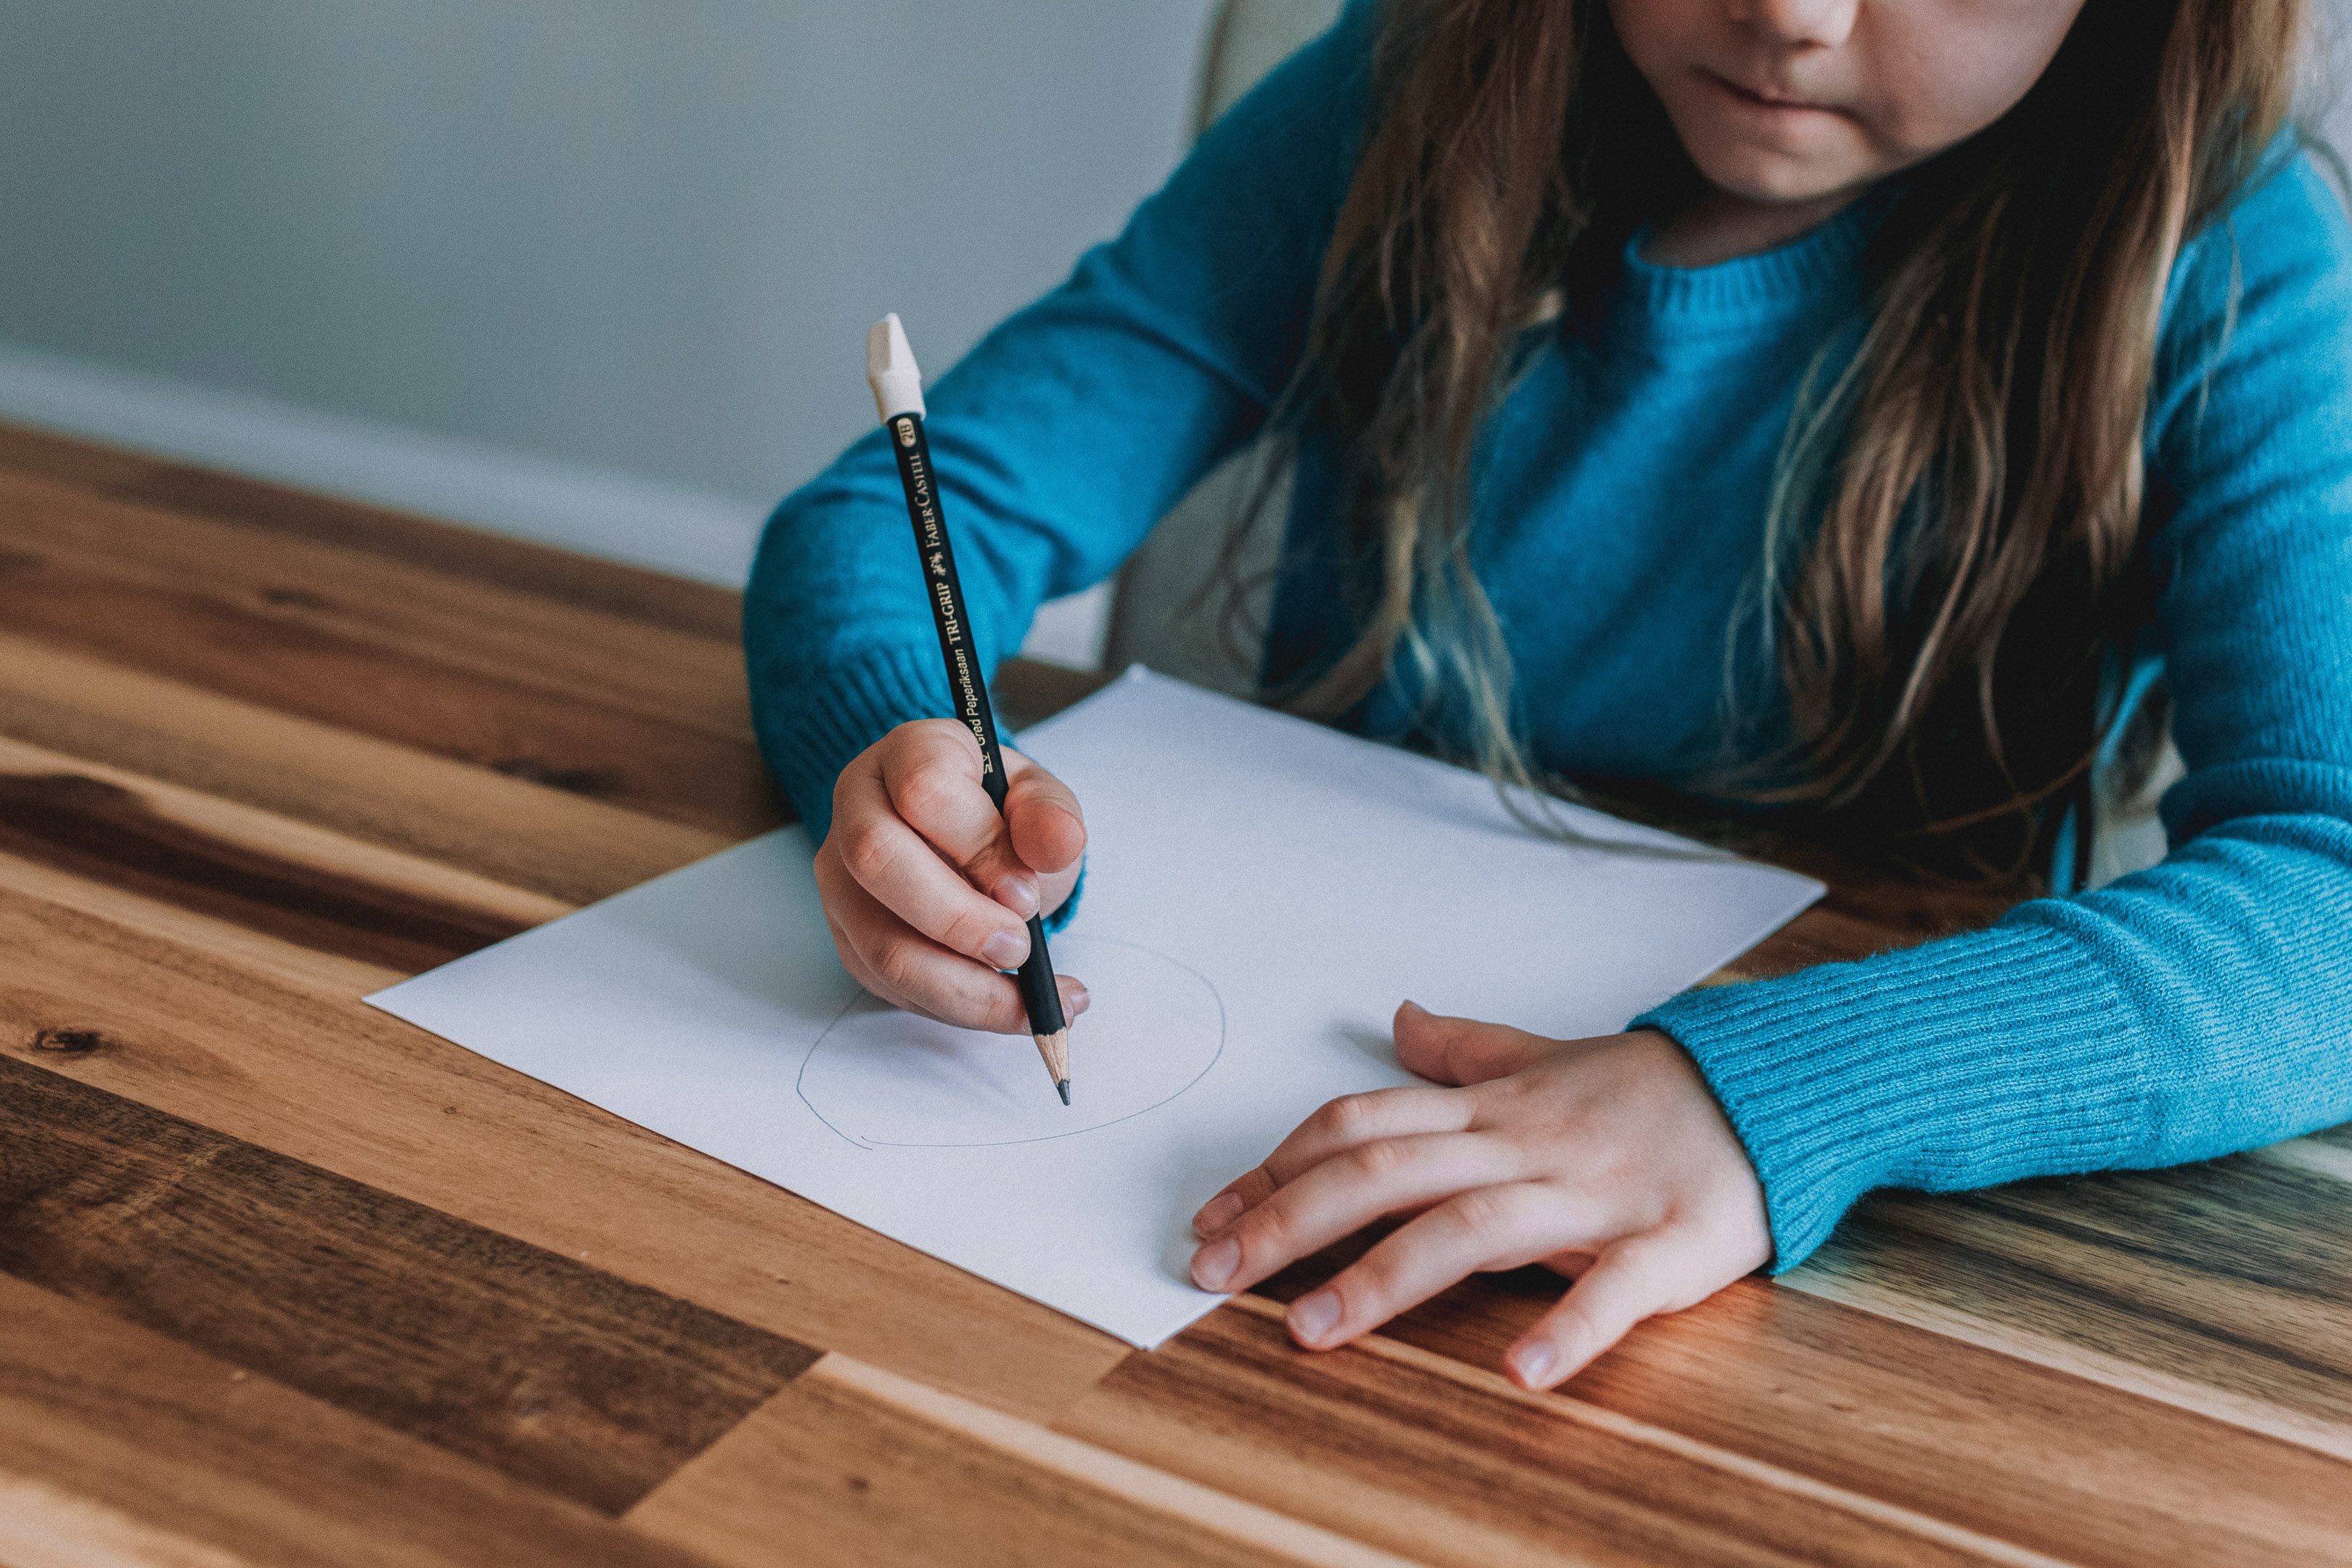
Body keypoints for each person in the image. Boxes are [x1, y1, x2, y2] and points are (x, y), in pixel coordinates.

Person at [744, 0, 2352, 1391]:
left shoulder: (2219, 246)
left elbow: (2332, 887)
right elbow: (897, 514)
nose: (1793, 13)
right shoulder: (1416, 83)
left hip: (1868, 1300)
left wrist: (1753, 1096)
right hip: (1274, 1186)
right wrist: (898, 753)